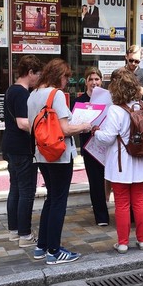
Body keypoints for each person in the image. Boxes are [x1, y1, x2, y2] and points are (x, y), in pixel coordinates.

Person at [28, 58, 92, 265]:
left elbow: (33, 126)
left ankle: (42, 246)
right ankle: (54, 251)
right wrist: (85, 125)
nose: (67, 81)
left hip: (42, 152)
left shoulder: (33, 95)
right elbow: (65, 129)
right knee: (58, 201)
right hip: (59, 154)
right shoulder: (56, 95)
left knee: (51, 198)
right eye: (66, 77)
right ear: (58, 76)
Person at [92, 68, 143, 254]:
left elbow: (108, 138)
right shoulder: (141, 106)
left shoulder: (115, 110)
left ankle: (123, 242)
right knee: (140, 201)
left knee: (122, 203)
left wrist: (96, 132)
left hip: (121, 163)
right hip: (141, 161)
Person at [2, 55, 42, 247]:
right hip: (22, 148)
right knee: (26, 191)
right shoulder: (22, 93)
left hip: (10, 146)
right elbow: (22, 122)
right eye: (37, 75)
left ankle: (14, 231)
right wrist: (41, 128)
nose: (38, 80)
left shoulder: (10, 90)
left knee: (15, 189)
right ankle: (25, 235)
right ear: (30, 73)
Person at [76, 67, 109, 226]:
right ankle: (101, 216)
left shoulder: (108, 99)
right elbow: (73, 124)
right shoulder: (79, 101)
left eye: (97, 79)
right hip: (89, 148)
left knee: (114, 181)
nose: (94, 82)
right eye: (91, 79)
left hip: (108, 146)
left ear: (101, 81)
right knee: (95, 183)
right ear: (86, 82)